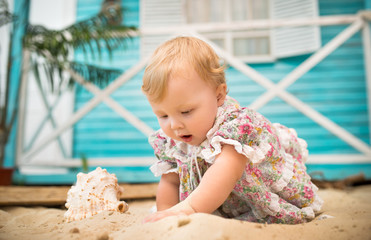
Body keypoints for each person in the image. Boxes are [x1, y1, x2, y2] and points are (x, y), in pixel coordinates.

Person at [142, 36, 323, 224]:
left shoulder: (235, 129)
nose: (174, 125)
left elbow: (225, 171)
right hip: (208, 201)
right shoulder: (174, 141)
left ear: (219, 95)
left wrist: (190, 208)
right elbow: (171, 181)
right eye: (163, 115)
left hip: (250, 201)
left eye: (186, 111)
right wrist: (166, 214)